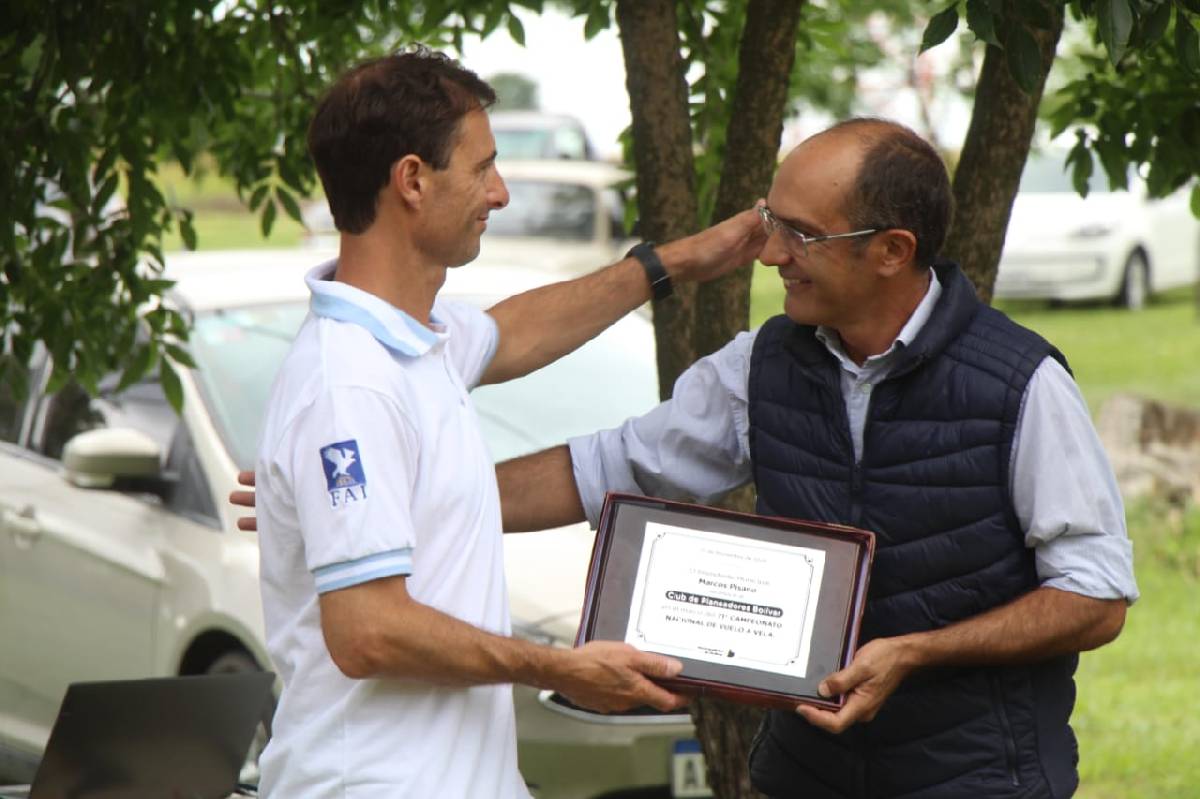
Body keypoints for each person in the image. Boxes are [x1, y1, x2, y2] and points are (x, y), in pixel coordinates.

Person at [496, 118, 1138, 799]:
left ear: (893, 249)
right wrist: (431, 502)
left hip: (980, 779)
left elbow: (1095, 596)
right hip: (806, 778)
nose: (771, 253)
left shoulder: (1021, 383)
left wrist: (917, 652)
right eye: (773, 221)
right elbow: (605, 468)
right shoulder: (762, 365)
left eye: (801, 233)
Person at [250, 47, 764, 799]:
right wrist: (556, 665)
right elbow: (367, 630)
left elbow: (514, 332)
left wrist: (673, 263)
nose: (502, 191)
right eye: (483, 167)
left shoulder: (415, 339)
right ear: (412, 181)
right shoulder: (348, 384)